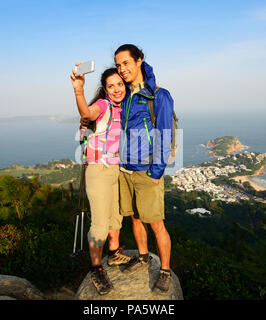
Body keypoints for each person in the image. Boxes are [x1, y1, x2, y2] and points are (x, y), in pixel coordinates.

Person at [114, 44, 174, 293]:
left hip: (147, 169)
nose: (121, 69)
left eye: (126, 63)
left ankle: (165, 271)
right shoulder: (124, 94)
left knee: (156, 223)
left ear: (139, 61)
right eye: (118, 65)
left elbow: (165, 133)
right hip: (125, 168)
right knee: (135, 217)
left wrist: (156, 171)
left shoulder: (158, 95)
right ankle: (143, 257)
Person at [70, 66, 132, 295]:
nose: (116, 89)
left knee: (116, 215)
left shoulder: (121, 107)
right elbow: (87, 114)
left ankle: (114, 253)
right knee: (100, 223)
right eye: (111, 86)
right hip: (98, 170)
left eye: (119, 84)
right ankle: (96, 267)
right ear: (105, 90)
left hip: (114, 169)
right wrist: (78, 91)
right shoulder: (104, 105)